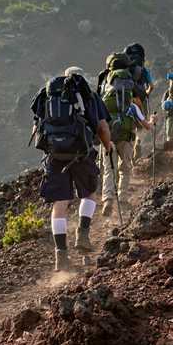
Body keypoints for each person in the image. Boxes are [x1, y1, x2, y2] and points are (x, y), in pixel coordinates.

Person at [31, 69, 112, 271]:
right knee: (89, 194)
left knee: (60, 204)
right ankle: (83, 234)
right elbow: (102, 127)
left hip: (55, 156)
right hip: (81, 153)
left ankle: (61, 256)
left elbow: (37, 129)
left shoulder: (48, 97)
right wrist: (108, 147)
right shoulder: (89, 96)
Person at [98, 53, 147, 217]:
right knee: (125, 168)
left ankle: (108, 200)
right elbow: (140, 100)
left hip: (108, 134)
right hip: (126, 133)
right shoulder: (130, 83)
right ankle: (123, 199)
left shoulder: (105, 82)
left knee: (108, 169)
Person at [124, 43, 154, 161]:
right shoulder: (143, 70)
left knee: (128, 126)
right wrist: (145, 93)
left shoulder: (125, 70)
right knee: (140, 126)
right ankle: (138, 143)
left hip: (127, 100)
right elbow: (151, 86)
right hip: (140, 101)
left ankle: (128, 149)